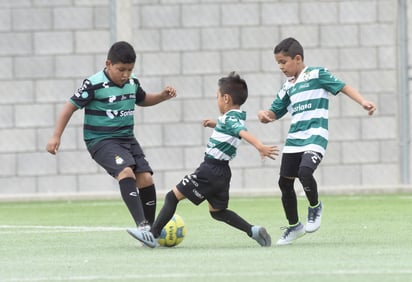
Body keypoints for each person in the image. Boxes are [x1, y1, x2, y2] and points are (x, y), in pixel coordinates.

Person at [127, 72, 279, 248]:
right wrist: (215, 124)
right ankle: (253, 230)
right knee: (218, 212)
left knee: (172, 196)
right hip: (223, 173)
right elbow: (231, 127)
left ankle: (152, 235)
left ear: (226, 98)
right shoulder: (236, 116)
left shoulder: (231, 120)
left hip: (209, 170)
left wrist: (260, 146)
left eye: (217, 97)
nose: (217, 100)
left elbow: (241, 132)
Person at [46, 41, 177, 231]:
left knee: (146, 179)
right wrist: (55, 136)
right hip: (101, 140)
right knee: (126, 172)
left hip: (127, 139)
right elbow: (69, 108)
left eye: (129, 69)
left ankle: (151, 231)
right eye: (121, 69)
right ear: (108, 64)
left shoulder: (132, 82)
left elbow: (142, 99)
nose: (125, 75)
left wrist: (162, 96)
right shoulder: (93, 84)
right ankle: (142, 226)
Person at [257, 37, 376, 246]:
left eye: (283, 62)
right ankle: (294, 227)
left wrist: (363, 101)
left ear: (297, 58)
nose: (280, 67)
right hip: (294, 139)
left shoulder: (317, 74)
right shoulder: (287, 87)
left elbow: (343, 86)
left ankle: (315, 206)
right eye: (278, 63)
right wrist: (264, 116)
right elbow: (274, 112)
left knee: (304, 172)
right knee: (284, 183)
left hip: (315, 136)